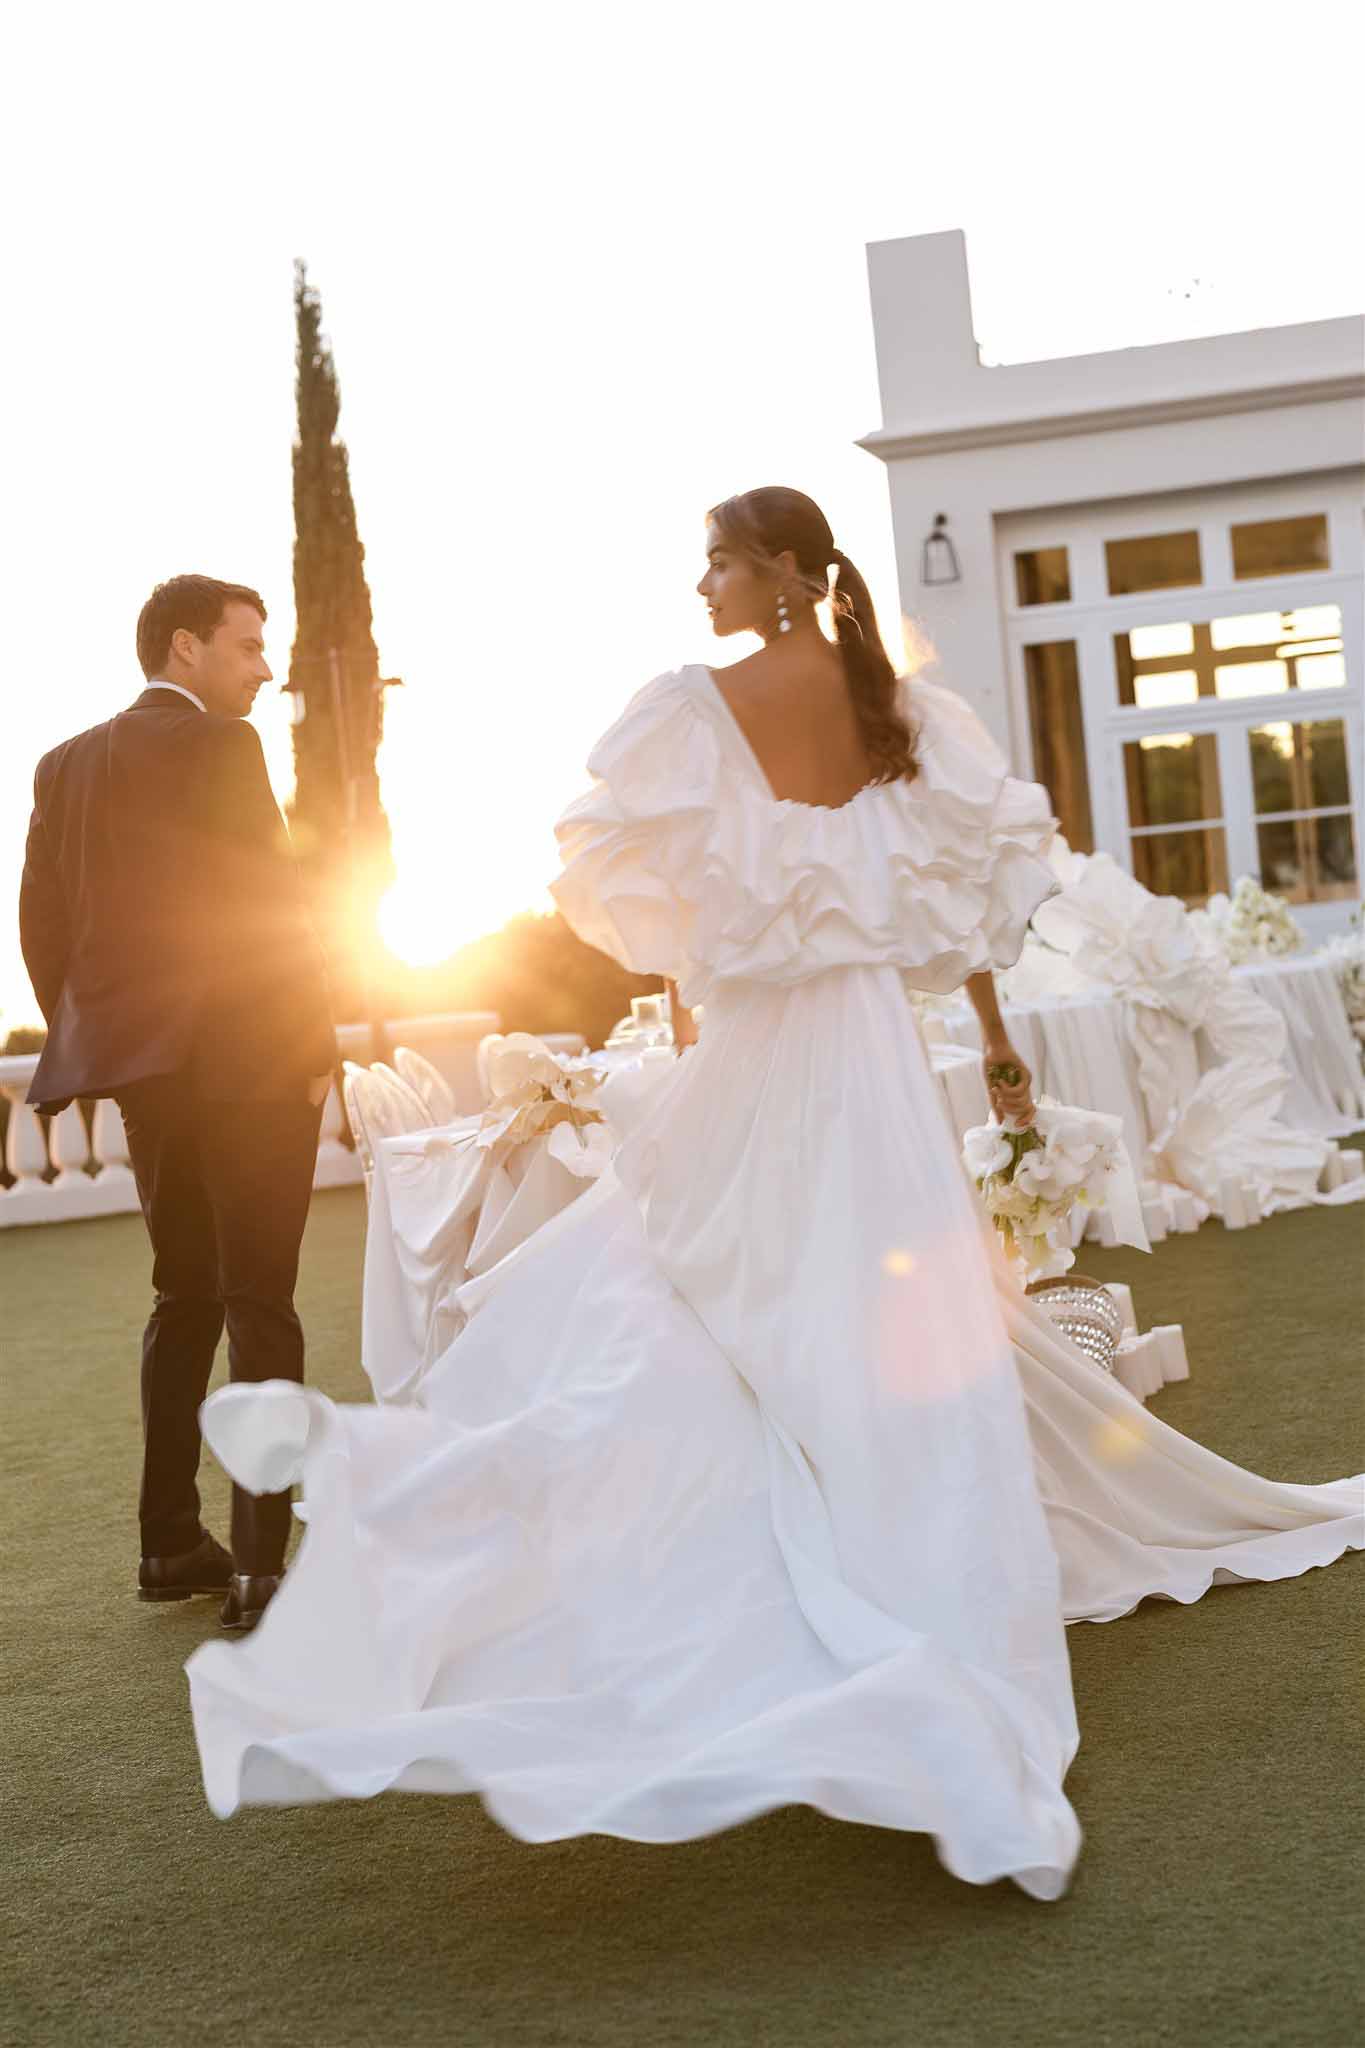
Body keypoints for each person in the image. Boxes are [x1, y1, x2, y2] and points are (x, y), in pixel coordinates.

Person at [184, 492, 1361, 1898]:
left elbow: (679, 922)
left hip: (773, 1056)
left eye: (722, 561)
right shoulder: (899, 716)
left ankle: (671, 1579)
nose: (701, 585)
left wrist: (711, 1019)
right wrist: (984, 1037)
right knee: (866, 1317)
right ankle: (915, 1576)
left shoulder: (692, 711)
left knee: (692, 1300)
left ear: (787, 572)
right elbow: (960, 905)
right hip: (871, 1061)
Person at [19, 575, 335, 1631]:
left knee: (183, 1295)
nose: (264, 665)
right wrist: (310, 1044)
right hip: (247, 1069)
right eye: (249, 646)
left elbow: (43, 928)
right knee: (260, 1302)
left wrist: (103, 1035)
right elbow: (275, 907)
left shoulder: (62, 765)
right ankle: (258, 1564)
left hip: (146, 1079)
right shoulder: (225, 748)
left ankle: (166, 1541)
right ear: (185, 647)